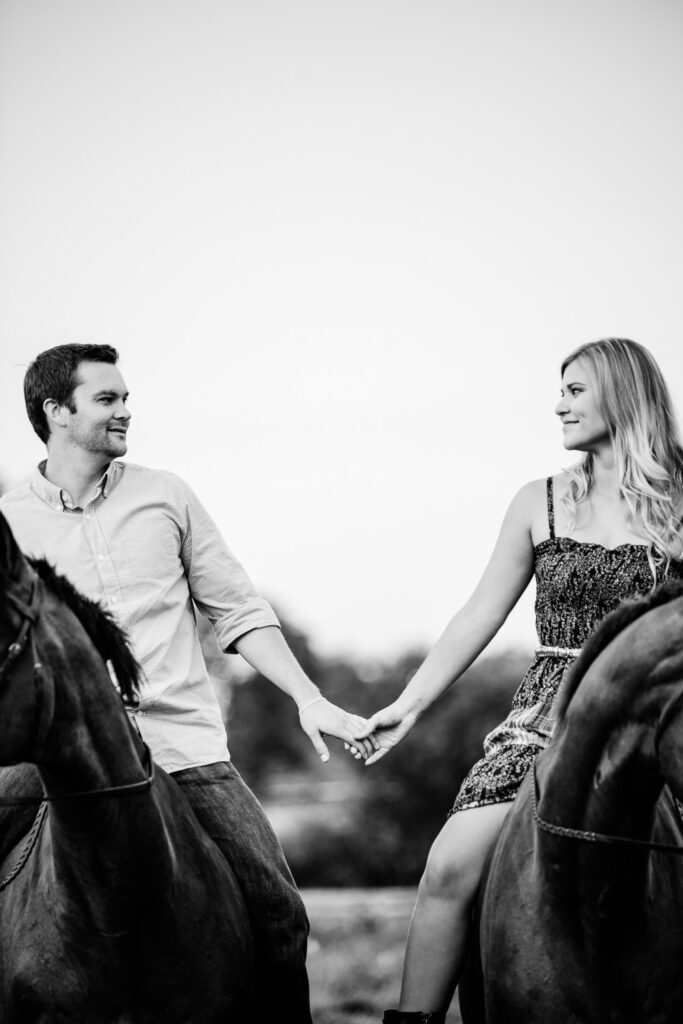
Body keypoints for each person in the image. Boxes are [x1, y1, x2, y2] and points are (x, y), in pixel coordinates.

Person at [0, 342, 374, 1024]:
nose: (125, 412)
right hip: (51, 760)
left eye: (126, 398)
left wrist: (307, 696)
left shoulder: (165, 494)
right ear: (56, 412)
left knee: (280, 914)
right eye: (107, 399)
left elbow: (237, 609)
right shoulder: (11, 523)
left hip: (182, 748)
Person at [354, 338, 683, 1024]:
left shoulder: (679, 500)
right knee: (449, 864)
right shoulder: (538, 500)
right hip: (545, 719)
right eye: (558, 389)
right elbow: (478, 611)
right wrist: (408, 705)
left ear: (621, 394)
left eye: (573, 389)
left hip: (657, 719)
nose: (557, 403)